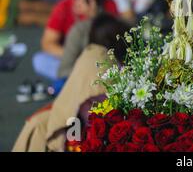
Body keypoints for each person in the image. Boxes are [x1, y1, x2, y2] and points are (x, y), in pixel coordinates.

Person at [13, 13, 129, 152]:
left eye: (108, 103)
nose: (98, 112)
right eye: (92, 103)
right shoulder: (41, 128)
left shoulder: (128, 128)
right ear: (78, 95)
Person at [33, 0, 118, 81]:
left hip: (100, 58)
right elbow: (48, 43)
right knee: (40, 60)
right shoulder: (64, 6)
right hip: (72, 59)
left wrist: (93, 18)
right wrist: (75, 56)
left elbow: (113, 40)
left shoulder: (108, 4)